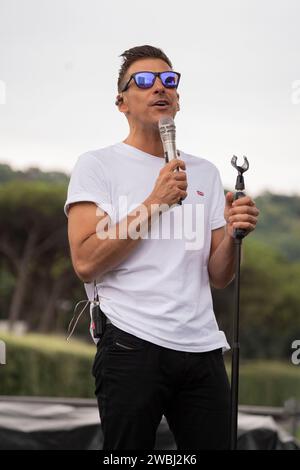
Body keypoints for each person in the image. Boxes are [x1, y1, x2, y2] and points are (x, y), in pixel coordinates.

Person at [64, 45, 259, 450]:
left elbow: (220, 276)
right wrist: (155, 202)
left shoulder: (204, 171)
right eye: (145, 81)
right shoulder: (97, 165)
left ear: (178, 98)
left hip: (201, 346)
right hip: (131, 343)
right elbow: (85, 262)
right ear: (121, 102)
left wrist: (235, 237)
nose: (160, 88)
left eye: (169, 80)